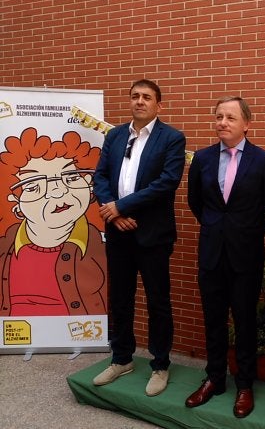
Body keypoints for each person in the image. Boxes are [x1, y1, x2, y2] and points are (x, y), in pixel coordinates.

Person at [186, 96, 265, 418]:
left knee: (244, 321)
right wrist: (217, 227)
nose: (222, 123)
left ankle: (244, 384)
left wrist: (241, 230)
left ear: (246, 124)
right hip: (212, 253)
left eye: (229, 117)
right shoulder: (201, 159)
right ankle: (214, 378)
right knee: (213, 320)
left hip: (246, 255)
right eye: (218, 117)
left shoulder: (264, 161)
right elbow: (196, 203)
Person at [92, 79, 186, 397]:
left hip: (153, 235)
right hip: (118, 233)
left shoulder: (172, 138)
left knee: (158, 302)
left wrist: (122, 205)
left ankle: (160, 364)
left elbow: (166, 183)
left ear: (159, 104)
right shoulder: (115, 135)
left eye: (147, 97)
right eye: (135, 96)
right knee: (120, 299)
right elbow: (100, 176)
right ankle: (121, 359)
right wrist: (114, 214)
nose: (140, 101)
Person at [0, 127, 105, 316]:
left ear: (89, 183)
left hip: (81, 335)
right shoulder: (4, 248)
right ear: (15, 202)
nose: (58, 191)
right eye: (33, 186)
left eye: (72, 177)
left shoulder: (101, 245)